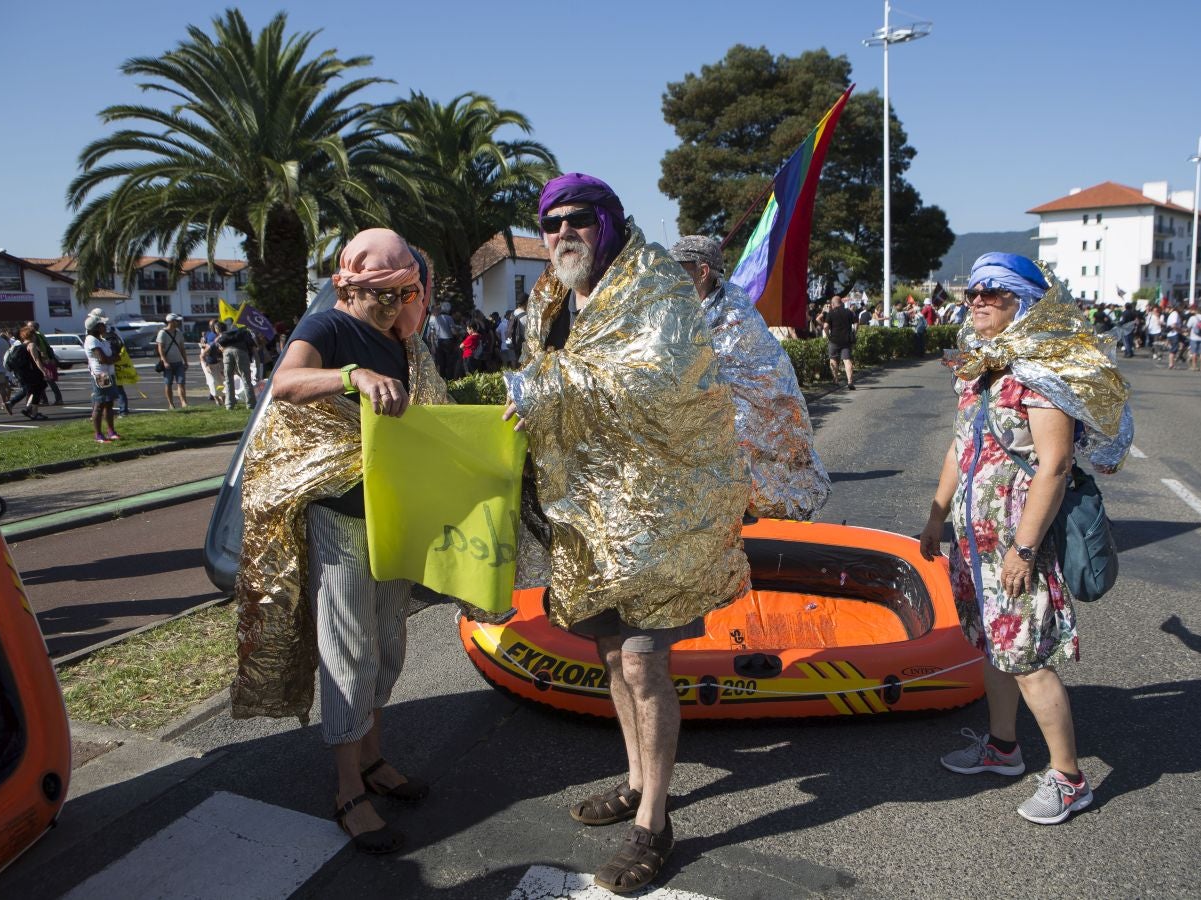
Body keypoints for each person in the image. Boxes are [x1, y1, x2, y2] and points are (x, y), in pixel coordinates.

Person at [503, 174, 749, 894]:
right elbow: (541, 380)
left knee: (644, 666)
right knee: (613, 658)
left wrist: (550, 390)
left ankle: (654, 825)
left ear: (608, 222)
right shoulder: (550, 299)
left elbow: (663, 382)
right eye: (550, 224)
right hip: (583, 517)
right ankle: (639, 779)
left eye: (577, 220)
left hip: (656, 516)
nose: (562, 235)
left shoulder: (656, 288)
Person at [233, 230, 448, 856]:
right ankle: (348, 790)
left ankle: (376, 759)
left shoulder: (401, 338)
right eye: (388, 293)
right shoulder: (328, 326)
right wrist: (352, 376)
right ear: (353, 286)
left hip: (389, 517)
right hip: (340, 522)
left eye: (408, 290)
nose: (399, 302)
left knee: (386, 645)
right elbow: (286, 383)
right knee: (347, 650)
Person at [920, 252, 1132, 826]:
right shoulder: (978, 367)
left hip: (1016, 540)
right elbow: (958, 448)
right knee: (995, 645)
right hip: (975, 538)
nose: (978, 300)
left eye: (995, 292)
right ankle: (1003, 748)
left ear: (1026, 303)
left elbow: (1056, 465)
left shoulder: (1039, 373)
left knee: (1029, 655)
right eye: (973, 293)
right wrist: (936, 517)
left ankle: (1069, 778)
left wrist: (1025, 548)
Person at [671, 235, 831, 520]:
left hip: (741, 431)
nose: (670, 276)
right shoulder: (681, 310)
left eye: (678, 268)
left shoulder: (733, 308)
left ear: (702, 271)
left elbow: (756, 369)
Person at [83, 312, 120, 442]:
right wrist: (112, 358)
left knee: (109, 403)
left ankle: (111, 431)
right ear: (96, 327)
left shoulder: (102, 340)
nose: (105, 326)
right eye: (102, 324)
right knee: (100, 404)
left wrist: (113, 358)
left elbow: (114, 356)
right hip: (101, 375)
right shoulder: (91, 340)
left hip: (109, 374)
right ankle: (98, 434)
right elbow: (104, 359)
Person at [5, 324, 49, 421]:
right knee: (35, 389)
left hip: (21, 373)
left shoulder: (19, 346)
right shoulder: (31, 345)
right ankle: (31, 411)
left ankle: (29, 409)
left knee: (34, 389)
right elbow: (36, 360)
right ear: (32, 335)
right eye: (34, 335)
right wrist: (43, 371)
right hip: (31, 373)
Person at [215, 321, 255, 410]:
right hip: (241, 351)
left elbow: (219, 345)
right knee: (246, 379)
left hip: (227, 352)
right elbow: (252, 347)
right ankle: (251, 404)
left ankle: (229, 405)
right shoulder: (244, 334)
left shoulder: (227, 335)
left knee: (229, 379)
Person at [155, 313, 190, 409]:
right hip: (168, 363)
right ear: (170, 321)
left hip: (178, 362)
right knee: (168, 383)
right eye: (176, 321)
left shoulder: (178, 332)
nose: (178, 322)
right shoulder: (162, 333)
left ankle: (183, 402)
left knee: (181, 382)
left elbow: (182, 348)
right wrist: (165, 361)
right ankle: (171, 404)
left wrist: (185, 361)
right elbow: (160, 349)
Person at [823, 295, 858, 390]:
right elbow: (856, 323)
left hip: (834, 340)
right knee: (847, 360)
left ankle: (835, 380)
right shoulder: (849, 312)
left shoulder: (831, 313)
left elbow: (825, 326)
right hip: (846, 340)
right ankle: (850, 382)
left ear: (833, 304)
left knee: (833, 359)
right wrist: (854, 332)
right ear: (841, 303)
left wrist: (828, 336)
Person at [27, 322, 63, 406]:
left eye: (28, 327)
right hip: (46, 360)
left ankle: (48, 400)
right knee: (47, 381)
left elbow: (38, 349)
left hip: (41, 361)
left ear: (32, 327)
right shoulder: (40, 335)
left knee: (44, 381)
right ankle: (55, 398)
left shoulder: (34, 336)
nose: (26, 328)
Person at [198, 320, 223, 404]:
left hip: (217, 360)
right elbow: (203, 348)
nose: (212, 327)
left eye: (215, 326)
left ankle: (222, 397)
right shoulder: (208, 335)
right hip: (207, 359)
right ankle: (216, 399)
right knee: (211, 380)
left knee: (220, 380)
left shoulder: (221, 335)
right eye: (211, 325)